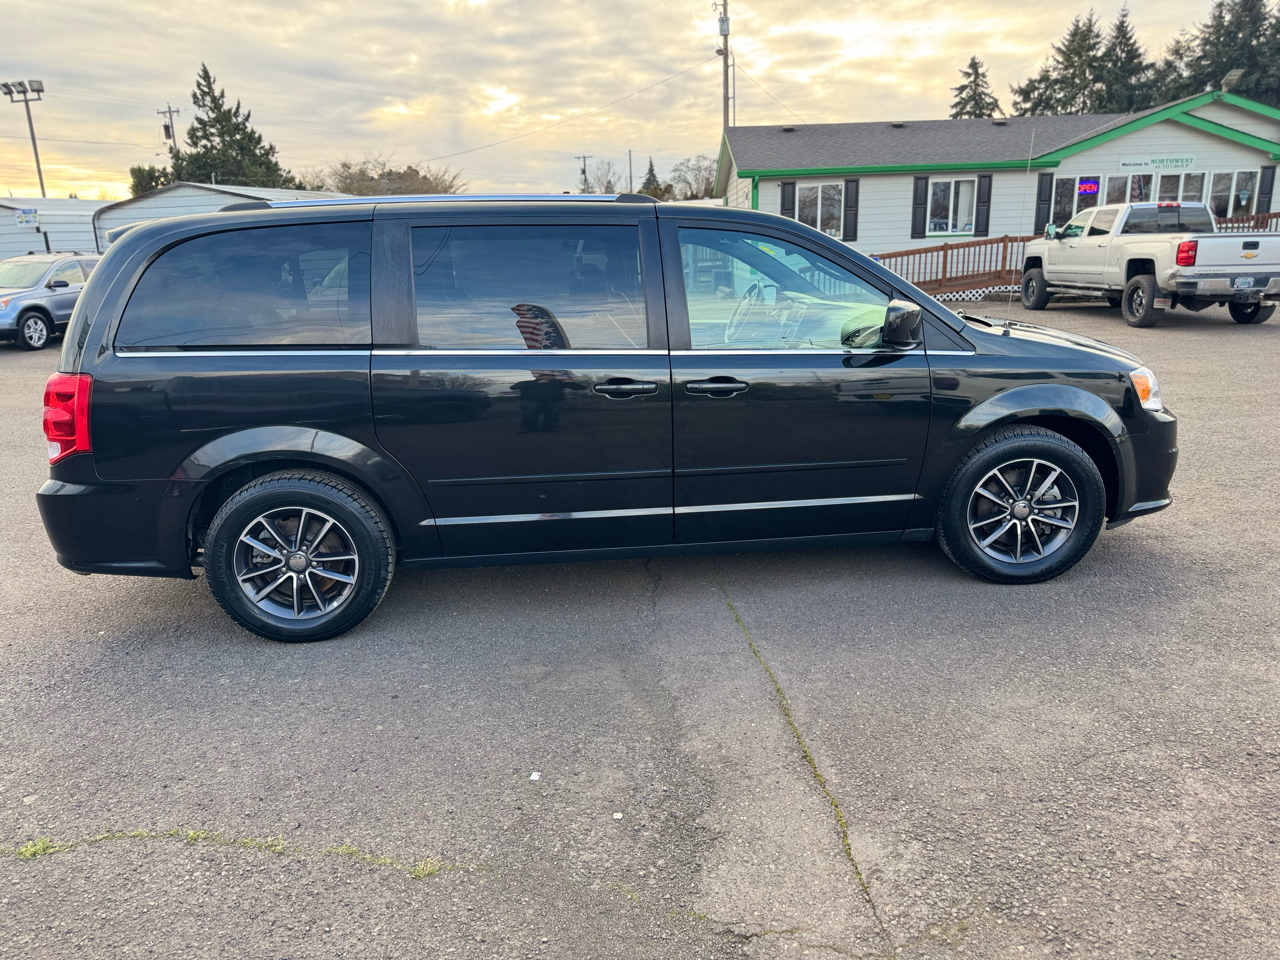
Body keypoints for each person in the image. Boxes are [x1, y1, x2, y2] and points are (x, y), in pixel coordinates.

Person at [509, 370, 584, 433]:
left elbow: (580, 387)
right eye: (544, 375)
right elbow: (513, 387)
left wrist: (571, 381)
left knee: (553, 415)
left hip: (554, 401)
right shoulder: (527, 383)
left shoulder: (559, 382)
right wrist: (537, 383)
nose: (548, 377)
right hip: (531, 401)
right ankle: (529, 428)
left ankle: (550, 428)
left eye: (551, 375)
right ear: (538, 377)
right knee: (529, 415)